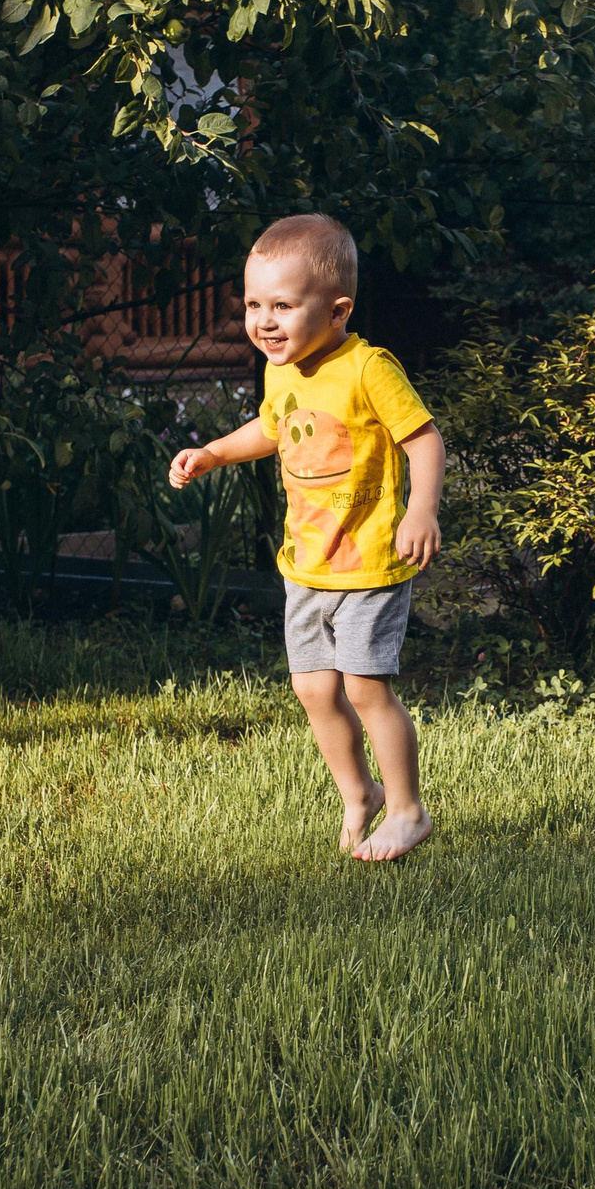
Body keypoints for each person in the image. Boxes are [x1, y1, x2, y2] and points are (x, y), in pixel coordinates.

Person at [170, 214, 443, 860]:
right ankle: (360, 792)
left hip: (369, 561)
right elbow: (273, 428)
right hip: (307, 565)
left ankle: (408, 808)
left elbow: (424, 439)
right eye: (254, 304)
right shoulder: (281, 369)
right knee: (313, 688)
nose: (264, 321)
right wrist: (213, 451)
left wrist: (421, 509)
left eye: (283, 306)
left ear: (337, 309)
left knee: (364, 686)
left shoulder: (367, 367)